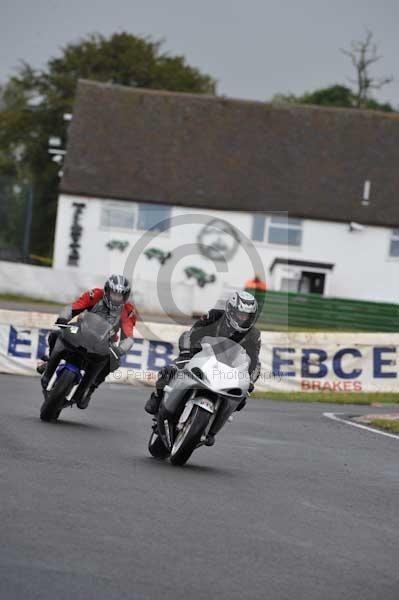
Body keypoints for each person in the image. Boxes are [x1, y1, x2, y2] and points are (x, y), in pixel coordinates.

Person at [145, 290, 261, 417]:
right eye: (241, 315)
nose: (244, 319)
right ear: (231, 310)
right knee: (170, 371)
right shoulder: (215, 316)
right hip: (200, 355)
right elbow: (191, 333)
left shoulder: (254, 334)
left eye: (247, 316)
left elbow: (254, 360)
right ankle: (157, 398)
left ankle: (211, 429)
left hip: (228, 368)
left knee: (241, 400)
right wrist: (186, 352)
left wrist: (249, 381)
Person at [38, 275, 136, 409]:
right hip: (81, 331)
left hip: (104, 342)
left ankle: (90, 388)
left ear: (125, 297)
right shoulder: (95, 294)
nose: (116, 298)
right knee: (56, 333)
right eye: (113, 293)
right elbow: (74, 307)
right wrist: (63, 319)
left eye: (120, 296)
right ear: (107, 290)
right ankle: (50, 362)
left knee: (114, 360)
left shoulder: (128, 310)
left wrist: (120, 349)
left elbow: (129, 336)